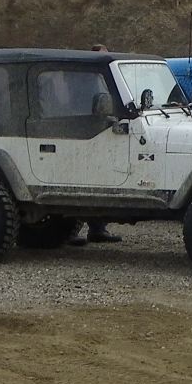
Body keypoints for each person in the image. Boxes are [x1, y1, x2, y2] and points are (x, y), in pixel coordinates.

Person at [81, 44, 123, 243]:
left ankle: (98, 229)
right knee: (84, 182)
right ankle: (78, 230)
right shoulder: (86, 80)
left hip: (104, 131)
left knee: (101, 180)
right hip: (89, 133)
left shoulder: (106, 77)